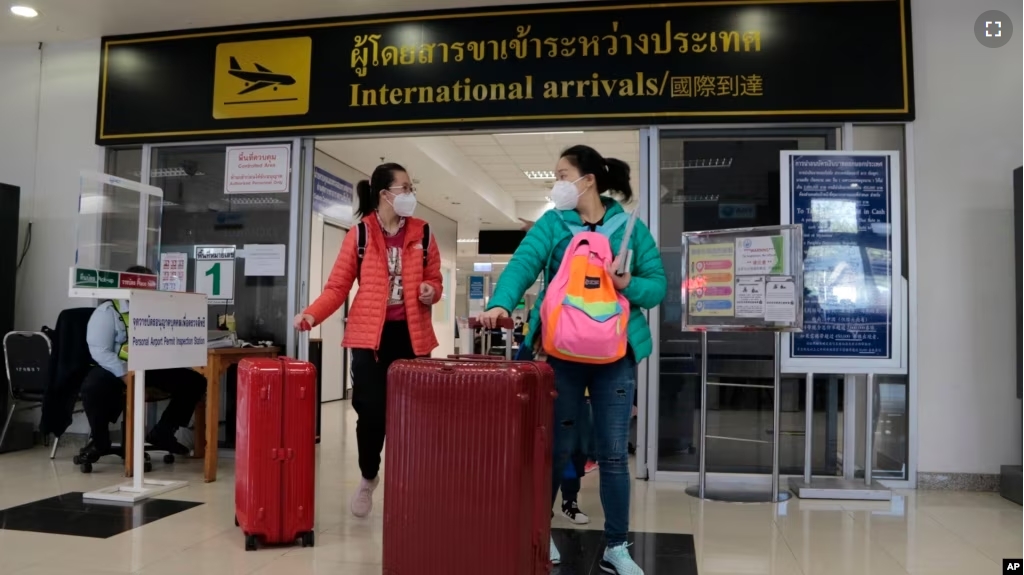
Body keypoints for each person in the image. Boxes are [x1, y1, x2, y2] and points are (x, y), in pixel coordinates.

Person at [479, 145, 666, 575]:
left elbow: (656, 287)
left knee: (614, 453)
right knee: (554, 449)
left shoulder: (630, 228)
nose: (557, 184)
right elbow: (523, 264)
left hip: (615, 351)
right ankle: (541, 534)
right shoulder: (552, 223)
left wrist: (628, 282)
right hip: (559, 352)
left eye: (562, 175)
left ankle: (617, 546)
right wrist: (501, 303)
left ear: (588, 180)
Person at [293, 162, 442, 519]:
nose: (410, 194)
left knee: (412, 417)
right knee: (371, 413)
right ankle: (368, 476)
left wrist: (430, 290)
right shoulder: (359, 234)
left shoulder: (423, 232)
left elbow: (436, 279)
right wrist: (312, 314)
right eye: (404, 188)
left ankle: (410, 484)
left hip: (411, 337)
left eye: (411, 187)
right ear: (384, 194)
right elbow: (338, 286)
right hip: (369, 339)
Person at [78, 266, 206, 464]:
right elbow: (100, 352)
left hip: (148, 366)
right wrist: (126, 375)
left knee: (194, 381)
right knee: (93, 386)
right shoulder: (107, 312)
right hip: (115, 368)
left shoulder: (155, 311)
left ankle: (164, 431)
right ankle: (99, 439)